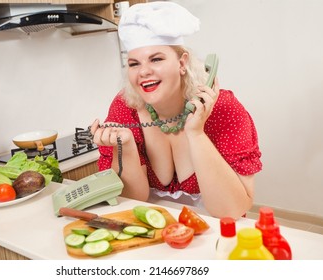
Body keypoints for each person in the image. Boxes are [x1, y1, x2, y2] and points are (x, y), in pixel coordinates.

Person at [90, 1, 262, 219]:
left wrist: (196, 133)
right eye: (134, 64)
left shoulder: (223, 109)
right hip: (155, 230)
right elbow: (132, 199)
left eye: (156, 59)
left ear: (182, 63)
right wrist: (125, 148)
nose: (143, 72)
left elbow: (231, 211)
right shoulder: (125, 107)